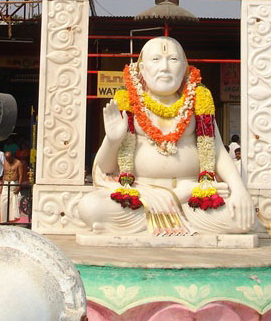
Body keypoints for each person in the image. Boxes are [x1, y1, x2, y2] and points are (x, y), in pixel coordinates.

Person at [78, 36, 255, 235]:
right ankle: (173, 200)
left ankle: (166, 211)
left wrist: (239, 189)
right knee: (90, 206)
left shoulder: (198, 103)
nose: (165, 67)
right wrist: (112, 140)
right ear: (142, 69)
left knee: (241, 219)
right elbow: (105, 170)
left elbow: (218, 151)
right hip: (142, 194)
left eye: (173, 59)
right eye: (156, 59)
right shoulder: (128, 105)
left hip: (193, 199)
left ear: (184, 68)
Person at [0, 151, 23, 223]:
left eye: (9, 158)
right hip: (6, 183)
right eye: (6, 158)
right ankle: (4, 220)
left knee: (13, 203)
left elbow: (21, 175)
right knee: (3, 202)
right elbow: (4, 174)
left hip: (13, 183)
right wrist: (1, 185)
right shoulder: (5, 162)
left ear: (12, 157)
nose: (8, 160)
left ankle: (12, 220)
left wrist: (19, 187)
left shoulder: (18, 163)